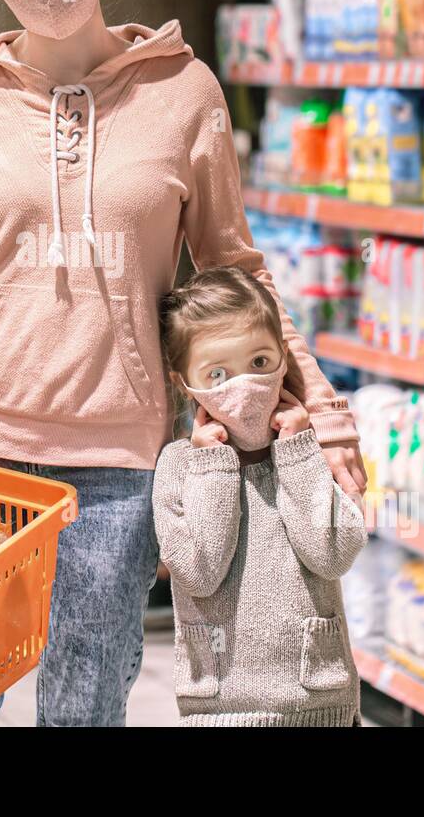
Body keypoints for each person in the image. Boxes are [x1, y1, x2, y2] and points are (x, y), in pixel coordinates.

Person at [0, 0, 365, 727]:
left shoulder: (185, 92)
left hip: (116, 466)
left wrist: (322, 413)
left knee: (87, 705)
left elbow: (233, 272)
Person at [154, 266, 365, 726]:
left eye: (260, 363)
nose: (245, 385)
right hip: (219, 707)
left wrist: (297, 452)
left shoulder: (309, 452)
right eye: (217, 374)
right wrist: (213, 466)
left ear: (284, 359)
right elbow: (198, 573)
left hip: (319, 702)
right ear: (183, 382)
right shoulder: (177, 466)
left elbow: (333, 553)